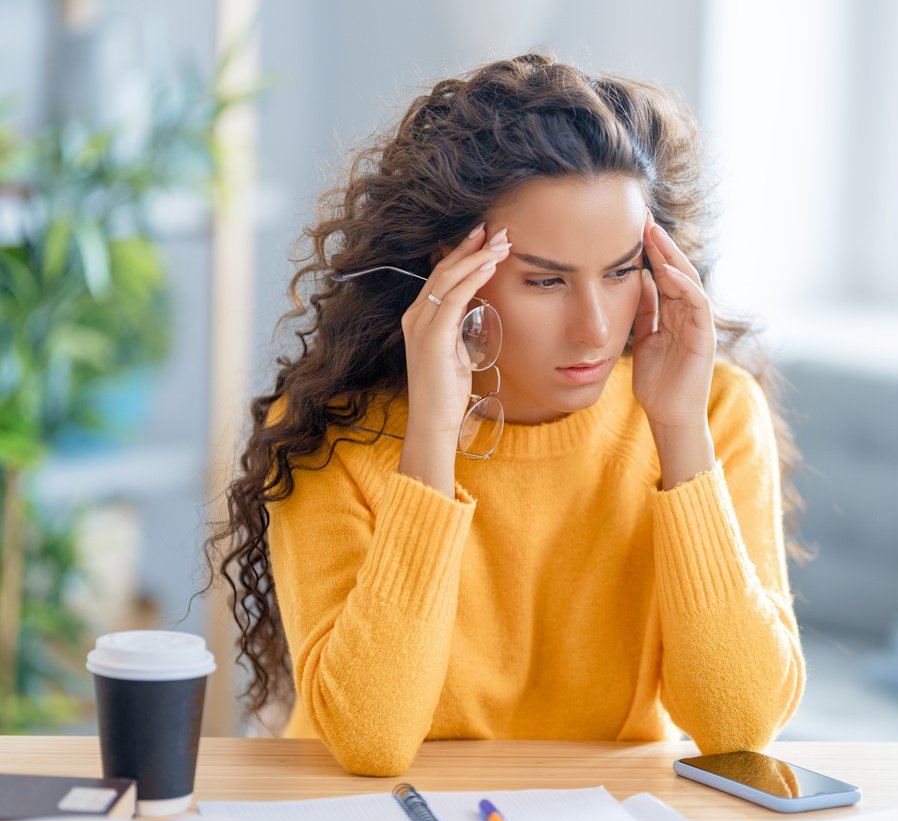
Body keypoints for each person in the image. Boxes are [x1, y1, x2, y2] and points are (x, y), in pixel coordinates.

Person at [206, 53, 806, 777]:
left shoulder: (710, 408)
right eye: (546, 280)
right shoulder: (332, 436)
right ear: (453, 271)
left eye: (620, 272)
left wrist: (678, 433)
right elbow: (372, 740)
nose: (592, 327)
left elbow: (737, 727)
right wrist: (431, 434)